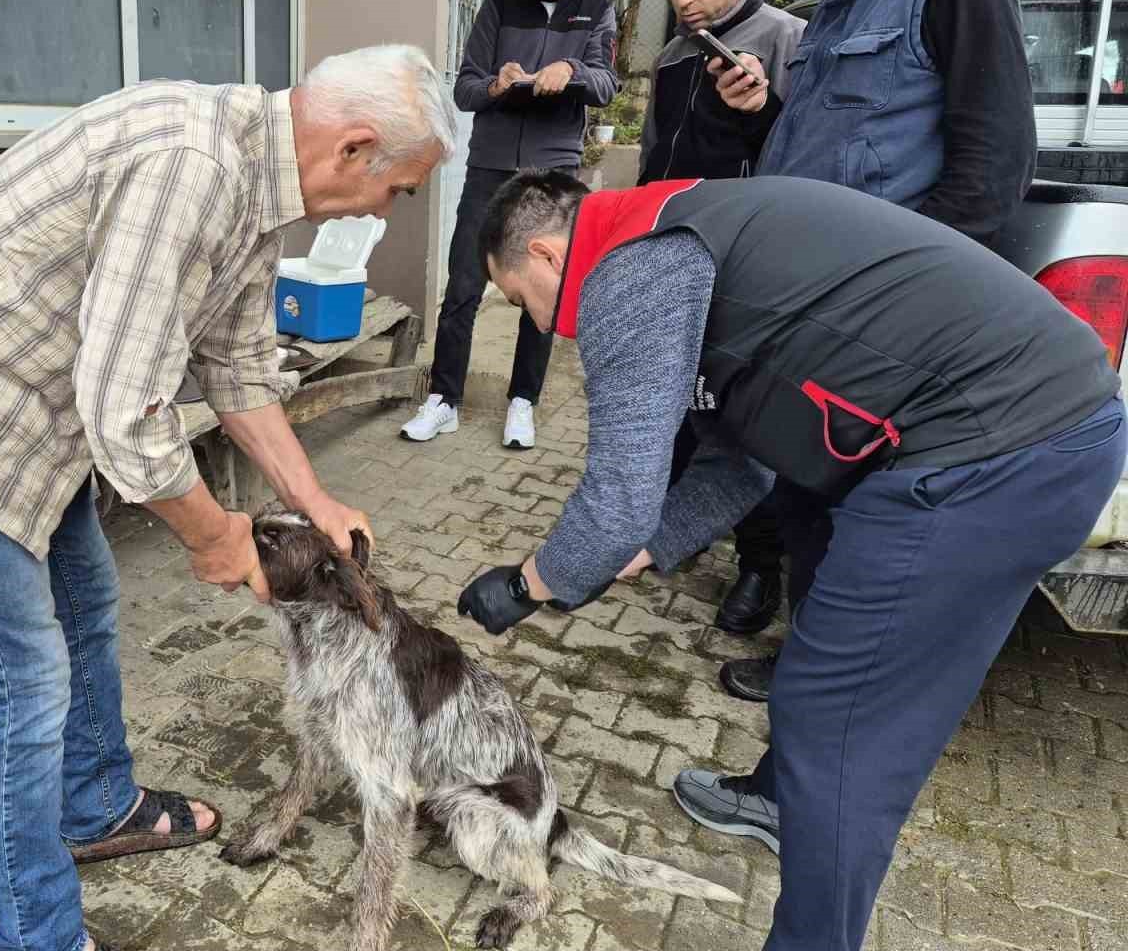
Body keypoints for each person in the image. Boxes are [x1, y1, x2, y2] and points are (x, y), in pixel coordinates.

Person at [0, 45, 457, 951]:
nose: (387, 210)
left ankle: (93, 809)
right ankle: (39, 938)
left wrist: (311, 496)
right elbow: (126, 410)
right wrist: (216, 537)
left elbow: (238, 369)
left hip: (45, 415)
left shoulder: (258, 183)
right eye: (400, 190)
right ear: (355, 149)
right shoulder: (194, 169)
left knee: (86, 605)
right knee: (20, 691)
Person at [456, 170, 1124, 951]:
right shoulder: (675, 231)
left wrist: (526, 584)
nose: (538, 325)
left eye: (520, 300)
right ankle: (782, 803)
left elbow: (616, 498)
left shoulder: (627, 269)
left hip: (994, 454)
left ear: (544, 253)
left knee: (838, 726)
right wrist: (655, 542)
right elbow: (743, 464)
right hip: (1040, 430)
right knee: (838, 653)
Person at [709, 0, 1040, 702]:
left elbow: (990, 176)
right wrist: (761, 114)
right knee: (809, 498)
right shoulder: (839, 6)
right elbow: (836, 153)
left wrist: (885, 291)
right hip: (815, 309)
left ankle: (829, 696)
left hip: (884, 319)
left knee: (853, 515)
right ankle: (809, 665)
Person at [638, 0, 807, 635]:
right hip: (670, 251)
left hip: (744, 264)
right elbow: (653, 153)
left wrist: (761, 107)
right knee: (671, 404)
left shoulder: (786, 40)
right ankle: (671, 528)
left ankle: (760, 568)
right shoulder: (675, 52)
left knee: (745, 419)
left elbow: (802, 163)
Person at [401, 0, 620, 450]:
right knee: (464, 285)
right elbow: (464, 89)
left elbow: (607, 83)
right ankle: (444, 399)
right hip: (491, 167)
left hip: (554, 170)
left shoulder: (595, 9)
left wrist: (571, 71)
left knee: (546, 287)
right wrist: (497, 85)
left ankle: (523, 400)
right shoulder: (500, 2)